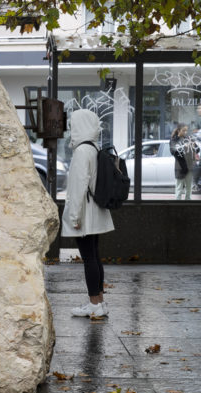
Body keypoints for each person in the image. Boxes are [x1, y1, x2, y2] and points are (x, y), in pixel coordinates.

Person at [62, 109, 114, 318]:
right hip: (96, 210)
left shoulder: (81, 151)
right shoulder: (93, 147)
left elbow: (77, 187)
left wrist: (74, 216)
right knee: (94, 256)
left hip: (85, 212)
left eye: (72, 124)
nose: (70, 128)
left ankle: (94, 304)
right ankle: (99, 302)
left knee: (89, 258)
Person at [170, 123, 193, 200]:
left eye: (186, 130)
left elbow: (197, 149)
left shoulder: (188, 138)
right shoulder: (174, 140)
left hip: (189, 166)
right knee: (179, 189)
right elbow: (173, 152)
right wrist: (184, 146)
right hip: (180, 167)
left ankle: (188, 204)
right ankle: (178, 205)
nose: (185, 132)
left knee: (189, 189)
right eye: (183, 130)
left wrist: (193, 146)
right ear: (179, 130)